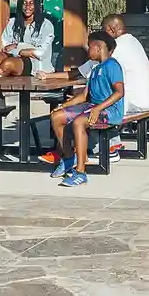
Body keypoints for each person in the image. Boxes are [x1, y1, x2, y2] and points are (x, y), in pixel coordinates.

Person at [49, 30, 124, 188]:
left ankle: (81, 172)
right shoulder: (95, 68)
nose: (88, 51)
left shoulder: (112, 65)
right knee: (57, 117)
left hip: (110, 111)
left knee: (79, 123)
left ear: (98, 47)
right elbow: (84, 96)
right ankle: (69, 157)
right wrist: (63, 106)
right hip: (92, 106)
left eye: (89, 47)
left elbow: (119, 92)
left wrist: (98, 109)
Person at [101, 14, 149, 116]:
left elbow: (92, 70)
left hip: (134, 104)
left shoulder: (117, 46)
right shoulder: (133, 40)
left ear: (111, 30)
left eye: (103, 32)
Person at [1, 0, 55, 75]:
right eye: (24, 3)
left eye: (31, 3)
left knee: (8, 64)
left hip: (36, 66)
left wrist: (17, 47)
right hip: (14, 59)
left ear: (36, 5)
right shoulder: (12, 22)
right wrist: (25, 50)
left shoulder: (46, 25)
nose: (27, 7)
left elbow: (40, 53)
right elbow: (5, 48)